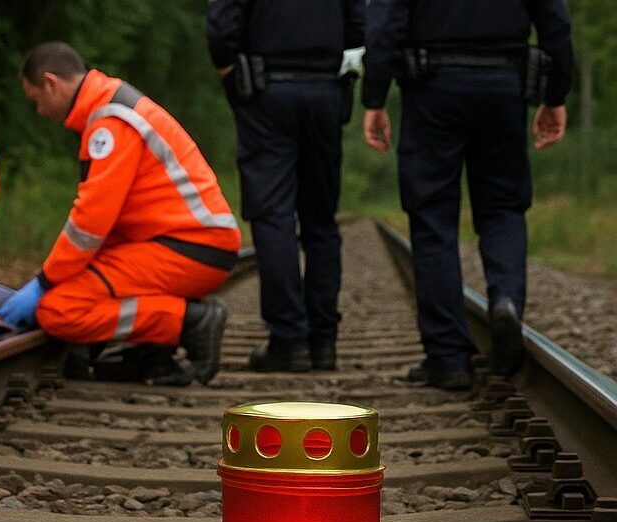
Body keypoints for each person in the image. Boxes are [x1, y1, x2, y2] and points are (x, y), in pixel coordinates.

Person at [0, 42, 242, 385]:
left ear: (51, 83)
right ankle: (152, 348)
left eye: (36, 99)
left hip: (189, 247)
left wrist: (44, 282)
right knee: (75, 290)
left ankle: (190, 322)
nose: (38, 110)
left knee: (58, 309)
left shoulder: (110, 122)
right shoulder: (110, 108)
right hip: (190, 242)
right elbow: (107, 225)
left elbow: (90, 224)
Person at [363, 0, 573, 389]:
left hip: (432, 87)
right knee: (503, 207)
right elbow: (556, 22)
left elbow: (387, 24)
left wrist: (374, 97)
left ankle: (447, 358)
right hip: (503, 86)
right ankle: (506, 299)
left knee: (432, 218)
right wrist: (556, 95)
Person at [206, 0, 365, 373]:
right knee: (321, 221)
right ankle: (323, 343)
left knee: (272, 214)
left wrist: (229, 69)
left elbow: (222, 22)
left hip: (266, 92)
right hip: (325, 91)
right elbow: (359, 23)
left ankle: (290, 341)